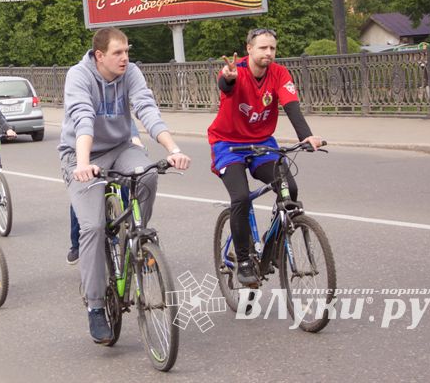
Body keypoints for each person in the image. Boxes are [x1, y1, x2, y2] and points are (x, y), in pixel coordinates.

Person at [59, 26, 191, 345]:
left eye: (127, 51)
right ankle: (95, 306)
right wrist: (82, 164)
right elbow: (83, 118)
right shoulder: (79, 76)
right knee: (91, 227)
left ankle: (136, 237)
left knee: (146, 173)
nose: (125, 58)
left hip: (120, 147)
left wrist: (172, 149)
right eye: (118, 52)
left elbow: (146, 109)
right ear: (99, 55)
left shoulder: (130, 72)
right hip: (81, 155)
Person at [208, 28, 323, 285]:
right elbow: (226, 84)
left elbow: (291, 106)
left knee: (288, 187)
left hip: (261, 143)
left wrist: (307, 136)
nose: (268, 53)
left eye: (272, 48)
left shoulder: (280, 73)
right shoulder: (235, 70)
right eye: (262, 48)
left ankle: (275, 242)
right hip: (228, 144)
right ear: (249, 49)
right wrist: (226, 78)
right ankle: (245, 260)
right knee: (240, 198)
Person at [67, 121, 141, 265]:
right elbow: (79, 127)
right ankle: (77, 245)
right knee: (81, 197)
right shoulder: (82, 105)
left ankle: (136, 240)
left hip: (115, 151)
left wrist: (135, 139)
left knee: (129, 183)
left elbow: (125, 120)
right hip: (89, 154)